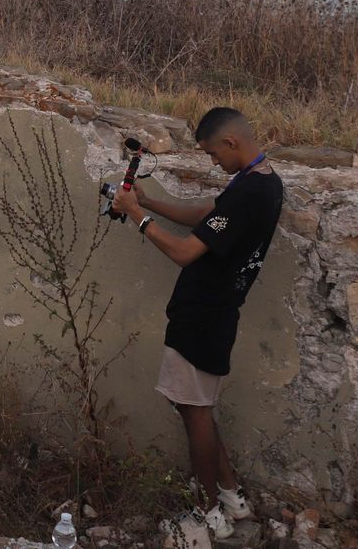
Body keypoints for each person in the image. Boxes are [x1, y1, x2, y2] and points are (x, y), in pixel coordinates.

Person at [110, 107, 283, 541]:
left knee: (194, 412)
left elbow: (187, 251)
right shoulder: (261, 182)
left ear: (231, 143)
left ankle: (208, 514)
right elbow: (209, 215)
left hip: (203, 316)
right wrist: (149, 201)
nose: (212, 163)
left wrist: (138, 217)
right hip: (215, 312)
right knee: (197, 406)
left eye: (212, 154)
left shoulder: (249, 193)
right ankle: (232, 497)